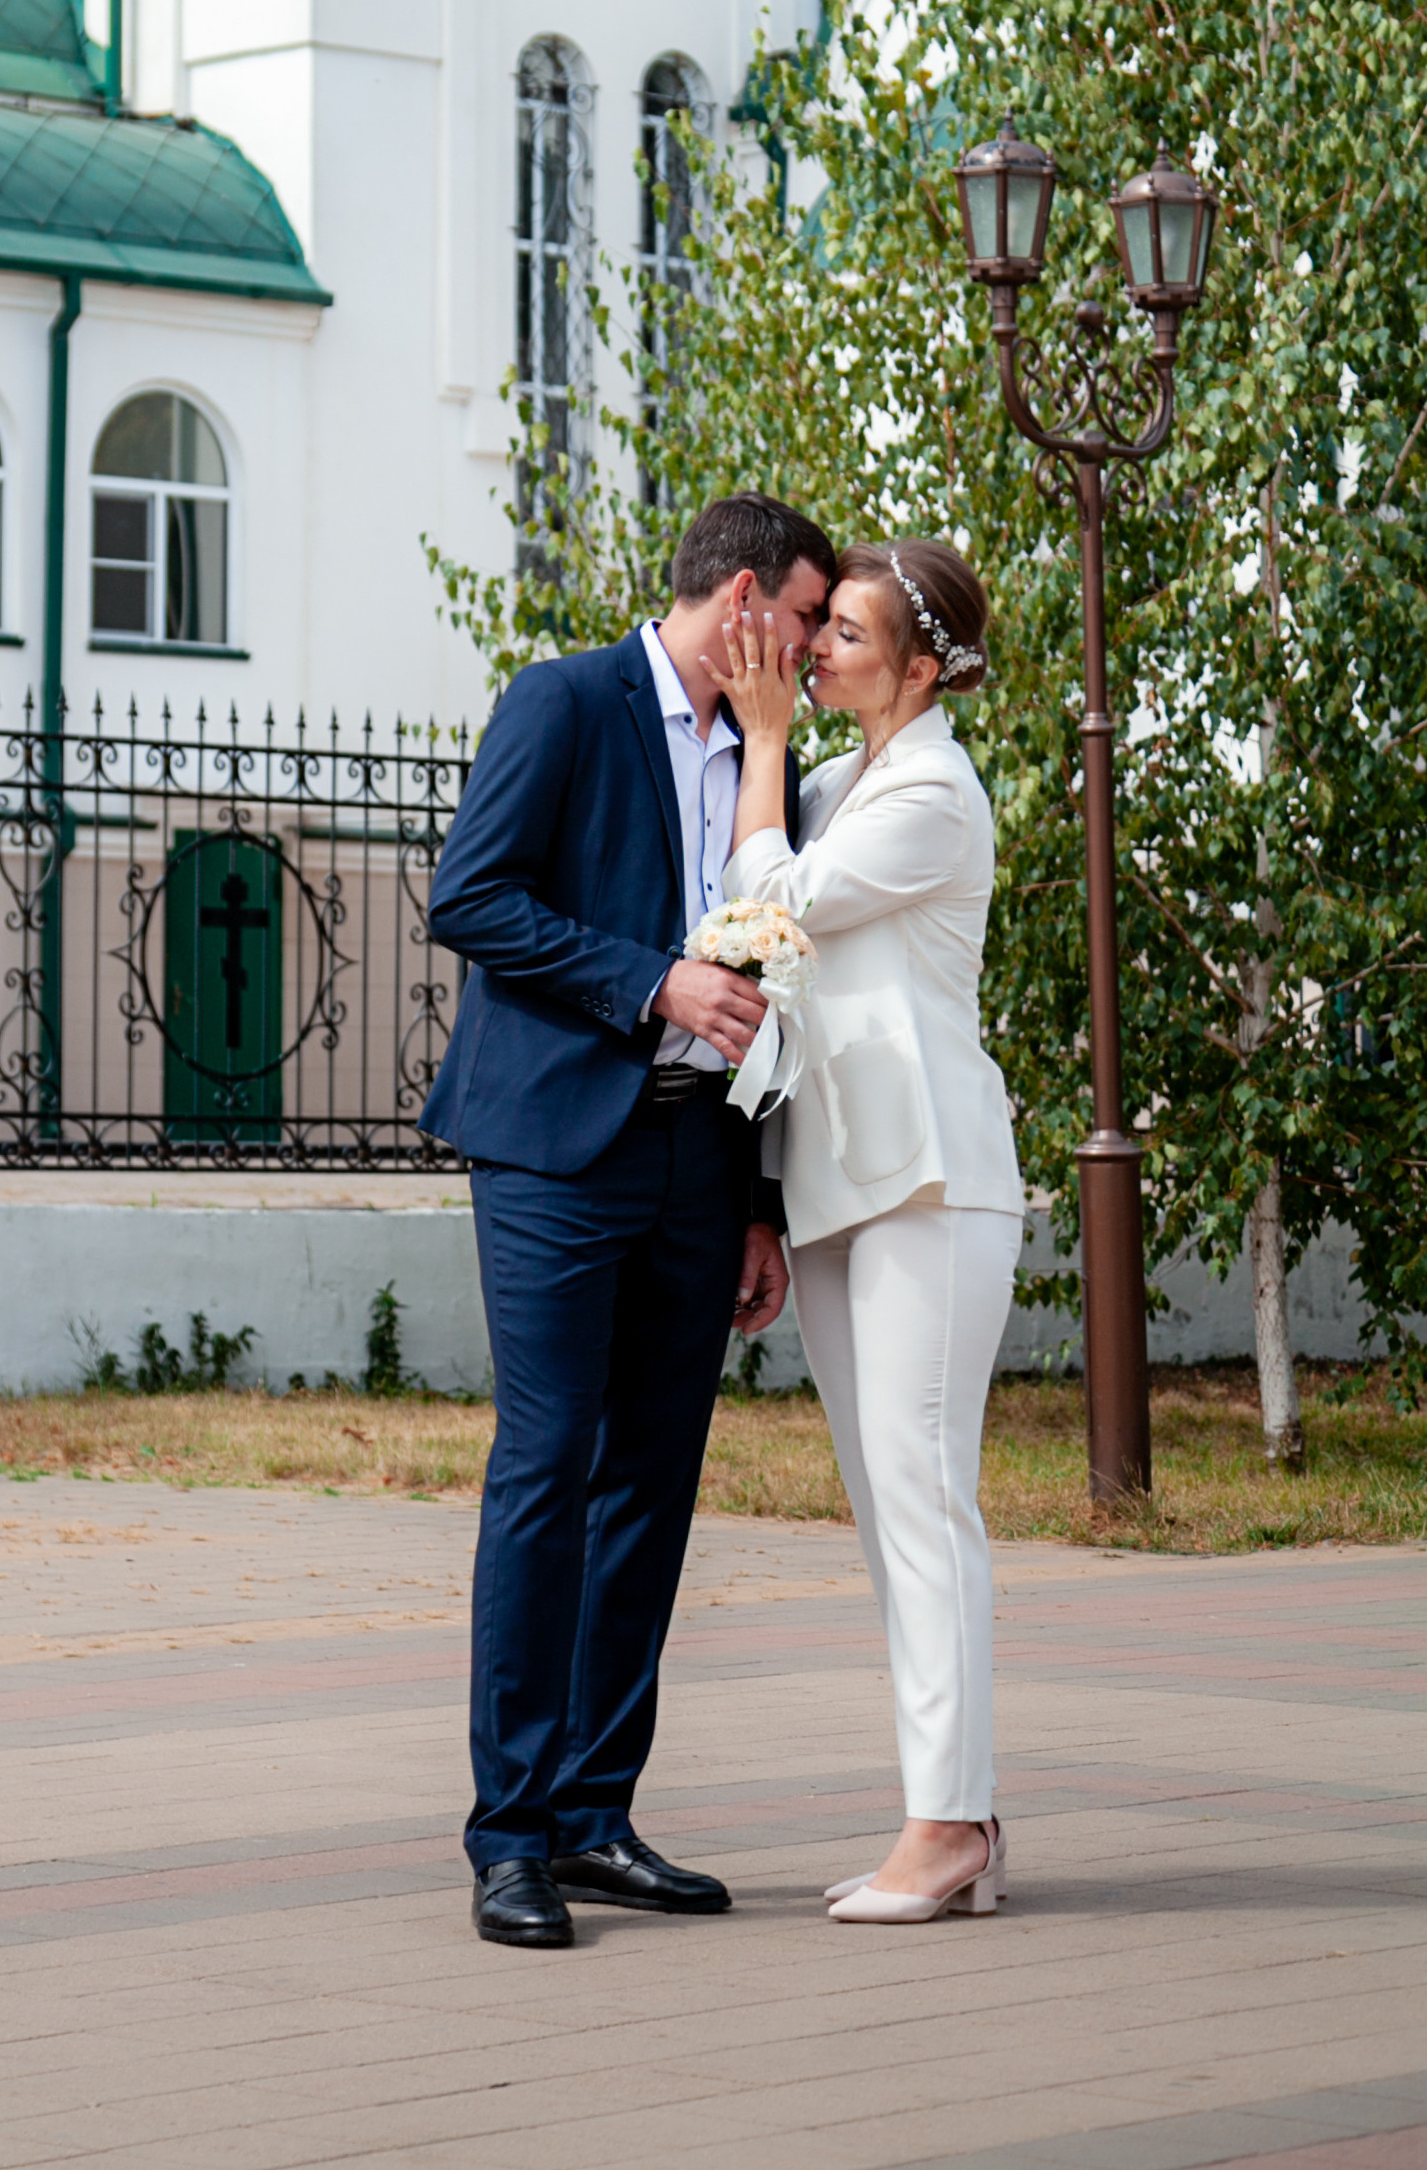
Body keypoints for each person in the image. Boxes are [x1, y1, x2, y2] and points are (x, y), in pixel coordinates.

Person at [422, 492, 838, 1950]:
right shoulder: (563, 701)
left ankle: (597, 1812)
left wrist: (759, 1203)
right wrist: (650, 981)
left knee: (652, 1484)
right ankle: (510, 1835)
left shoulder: (763, 761)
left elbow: (771, 986)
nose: (809, 648)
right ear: (737, 600)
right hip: (550, 1151)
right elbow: (469, 897)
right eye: (799, 618)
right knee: (545, 1466)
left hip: (694, 1163)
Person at [717, 537, 1024, 1926]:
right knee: (885, 1505)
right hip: (839, 1181)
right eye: (817, 623)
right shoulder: (843, 781)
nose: (815, 646)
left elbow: (761, 907)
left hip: (929, 1182)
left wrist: (768, 740)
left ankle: (945, 1821)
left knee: (922, 1497)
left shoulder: (933, 793)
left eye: (844, 631)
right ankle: (945, 1807)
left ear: (919, 665)